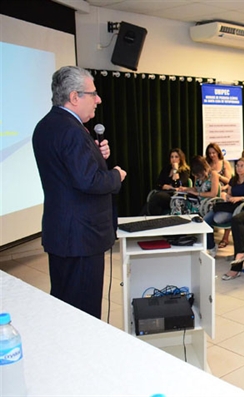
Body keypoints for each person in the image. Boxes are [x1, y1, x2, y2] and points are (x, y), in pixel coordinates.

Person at [32, 66, 127, 318]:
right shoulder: (72, 131)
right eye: (92, 94)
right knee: (83, 314)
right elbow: (89, 181)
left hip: (62, 234)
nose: (98, 99)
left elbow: (68, 171)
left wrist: (96, 154)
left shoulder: (47, 125)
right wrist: (116, 174)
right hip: (82, 239)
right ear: (75, 97)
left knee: (64, 307)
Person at [204, 157, 244, 251]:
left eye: (242, 166)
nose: (239, 168)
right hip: (230, 205)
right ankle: (211, 246)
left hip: (242, 207)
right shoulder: (233, 179)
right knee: (206, 220)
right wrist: (227, 196)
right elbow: (229, 193)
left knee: (218, 219)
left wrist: (240, 198)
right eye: (237, 166)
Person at [146, 148, 191, 215]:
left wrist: (175, 170)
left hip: (175, 197)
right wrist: (164, 186)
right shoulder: (166, 169)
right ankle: (147, 217)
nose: (173, 159)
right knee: (154, 200)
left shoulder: (185, 170)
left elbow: (177, 185)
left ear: (180, 159)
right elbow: (158, 183)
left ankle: (149, 217)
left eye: (176, 157)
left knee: (157, 197)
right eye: (172, 157)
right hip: (163, 193)